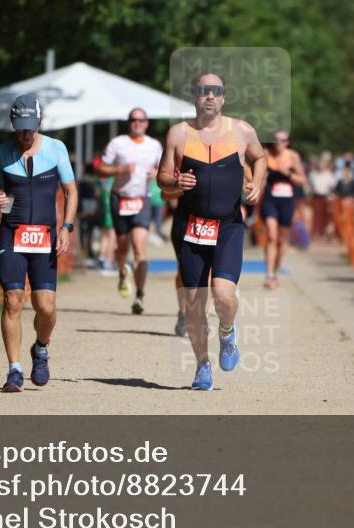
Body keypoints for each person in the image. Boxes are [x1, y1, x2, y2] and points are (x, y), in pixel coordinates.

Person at [157, 73, 267, 391]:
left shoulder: (242, 130)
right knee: (193, 304)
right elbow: (162, 176)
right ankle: (203, 365)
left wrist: (257, 183)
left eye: (215, 91)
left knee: (223, 295)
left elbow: (261, 158)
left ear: (223, 97)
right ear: (194, 96)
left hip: (228, 226)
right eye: (203, 91)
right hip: (190, 227)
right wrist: (174, 183)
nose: (209, 96)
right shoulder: (178, 134)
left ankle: (227, 331)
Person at [0, 93, 77, 393]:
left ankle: (41, 347)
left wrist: (66, 228)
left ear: (40, 122)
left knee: (45, 307)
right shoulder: (0, 152)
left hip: (45, 237)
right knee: (13, 299)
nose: (25, 133)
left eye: (30, 127)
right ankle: (14, 370)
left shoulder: (56, 148)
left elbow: (71, 191)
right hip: (12, 233)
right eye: (20, 127)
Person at [97, 108, 163, 315]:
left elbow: (166, 169)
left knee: (139, 246)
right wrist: (119, 170)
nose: (137, 123)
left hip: (142, 199)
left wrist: (158, 172)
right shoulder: (118, 143)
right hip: (120, 198)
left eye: (141, 120)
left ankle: (140, 295)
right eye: (134, 120)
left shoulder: (154, 146)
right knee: (122, 248)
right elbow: (101, 169)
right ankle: (123, 274)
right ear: (129, 122)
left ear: (147, 123)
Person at [260, 130, 307, 289]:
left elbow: (302, 181)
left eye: (283, 140)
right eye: (276, 140)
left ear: (287, 142)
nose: (279, 143)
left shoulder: (292, 156)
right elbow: (258, 175)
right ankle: (269, 274)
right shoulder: (267, 154)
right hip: (270, 200)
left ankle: (276, 270)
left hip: (287, 201)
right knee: (271, 236)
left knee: (281, 240)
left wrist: (288, 174)